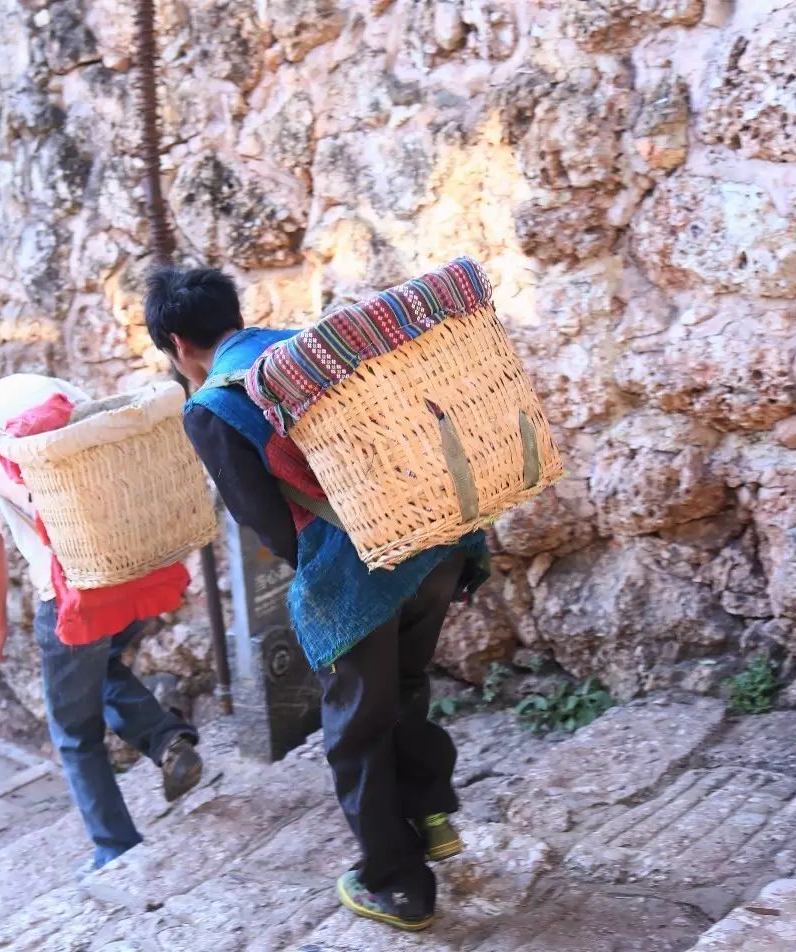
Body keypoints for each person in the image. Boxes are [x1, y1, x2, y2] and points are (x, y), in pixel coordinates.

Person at [143, 269, 490, 932]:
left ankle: (398, 884)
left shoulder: (212, 404)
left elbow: (268, 524)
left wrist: (327, 577)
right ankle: (430, 816)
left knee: (356, 727)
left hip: (360, 575)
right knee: (406, 686)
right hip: (434, 540)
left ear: (179, 342)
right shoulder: (301, 344)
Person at [0, 342, 203, 871]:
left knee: (73, 730)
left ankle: (116, 848)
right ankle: (166, 738)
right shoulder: (41, 383)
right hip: (139, 563)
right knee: (102, 665)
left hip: (76, 586)